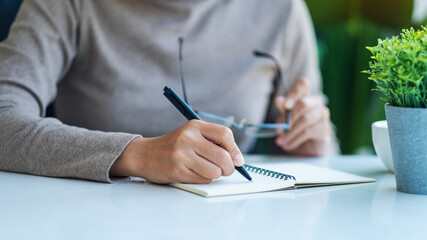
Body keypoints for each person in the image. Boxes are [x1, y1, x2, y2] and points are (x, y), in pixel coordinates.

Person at [0, 0, 336, 184]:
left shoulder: (282, 9)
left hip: (231, 222)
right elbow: (4, 121)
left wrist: (314, 143)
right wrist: (137, 155)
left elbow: (321, 143)